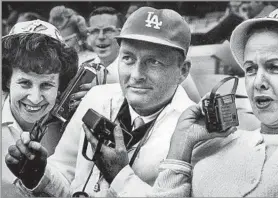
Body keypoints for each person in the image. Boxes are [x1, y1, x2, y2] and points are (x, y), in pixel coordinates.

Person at [6, 7, 195, 197]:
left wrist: (120, 176)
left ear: (183, 70)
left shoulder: (195, 131)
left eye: (153, 62)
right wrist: (39, 175)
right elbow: (64, 173)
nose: (136, 75)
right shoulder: (97, 97)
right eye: (128, 58)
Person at [149, 4, 278, 197]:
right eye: (250, 69)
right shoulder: (216, 145)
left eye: (274, 67)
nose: (258, 82)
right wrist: (181, 148)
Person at [69, 6, 200, 112]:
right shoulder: (85, 68)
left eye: (108, 30)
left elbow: (194, 108)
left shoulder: (173, 71)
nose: (101, 37)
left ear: (121, 34)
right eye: (94, 31)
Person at [2, 19, 78, 196]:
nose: (35, 99)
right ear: (7, 80)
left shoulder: (72, 127)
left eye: (46, 85)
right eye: (25, 83)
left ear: (60, 86)